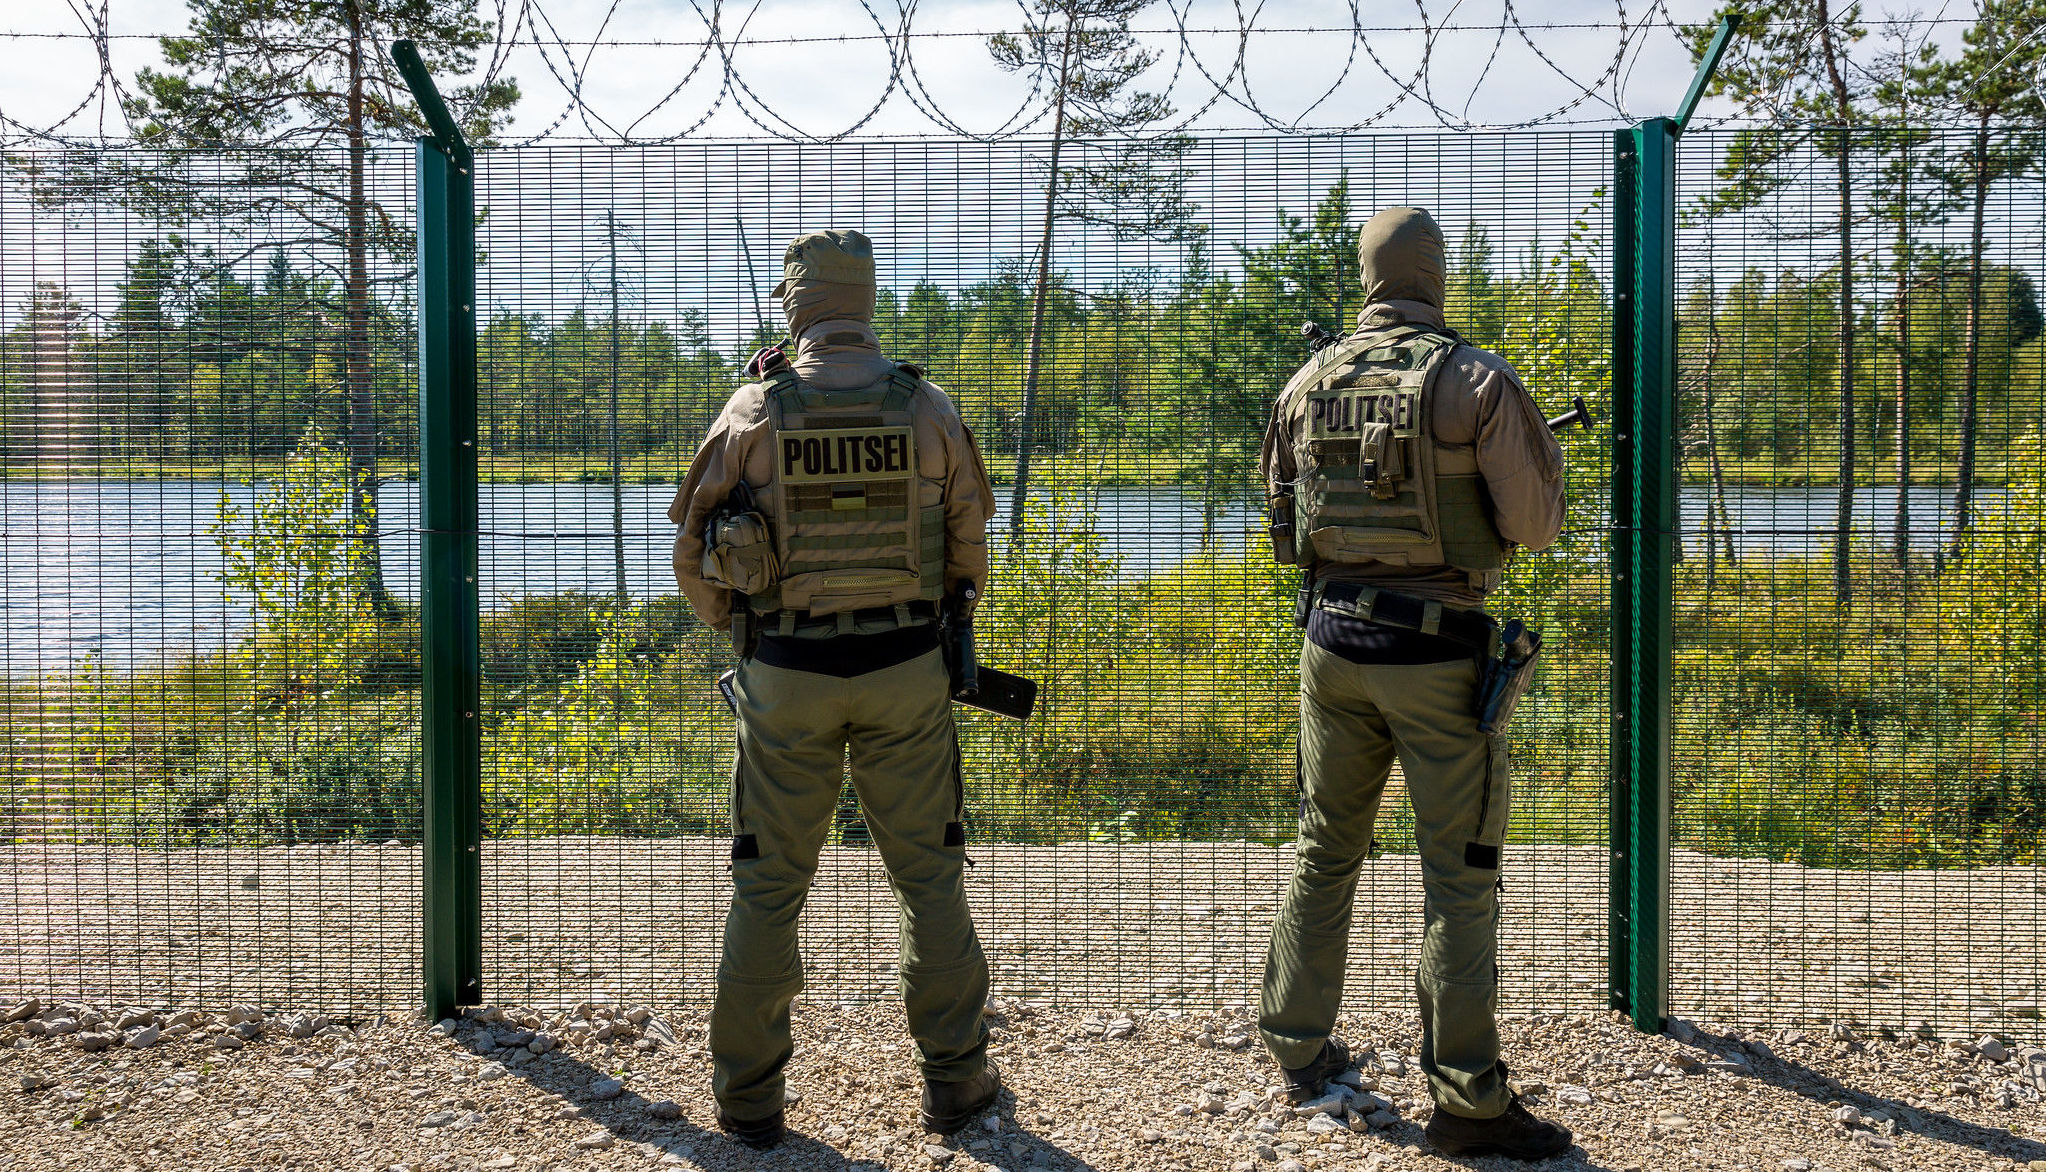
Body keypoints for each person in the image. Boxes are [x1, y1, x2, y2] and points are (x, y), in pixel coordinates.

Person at [669, 229, 1001, 1148]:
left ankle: (749, 1103)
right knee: (929, 878)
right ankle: (958, 1085)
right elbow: (971, 552)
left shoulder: (751, 411)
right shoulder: (926, 406)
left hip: (787, 674)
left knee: (768, 888)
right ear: (865, 301)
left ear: (797, 304)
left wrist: (747, 635)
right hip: (906, 674)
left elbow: (691, 559)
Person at [1256, 207, 1572, 1161]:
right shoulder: (1474, 379)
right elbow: (1535, 526)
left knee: (1325, 849)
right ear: (1437, 274)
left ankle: (1298, 1049)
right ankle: (1468, 1102)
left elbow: (1282, 523)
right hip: (1438, 660)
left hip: (1332, 647)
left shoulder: (1308, 380)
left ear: (1366, 275)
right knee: (1461, 881)